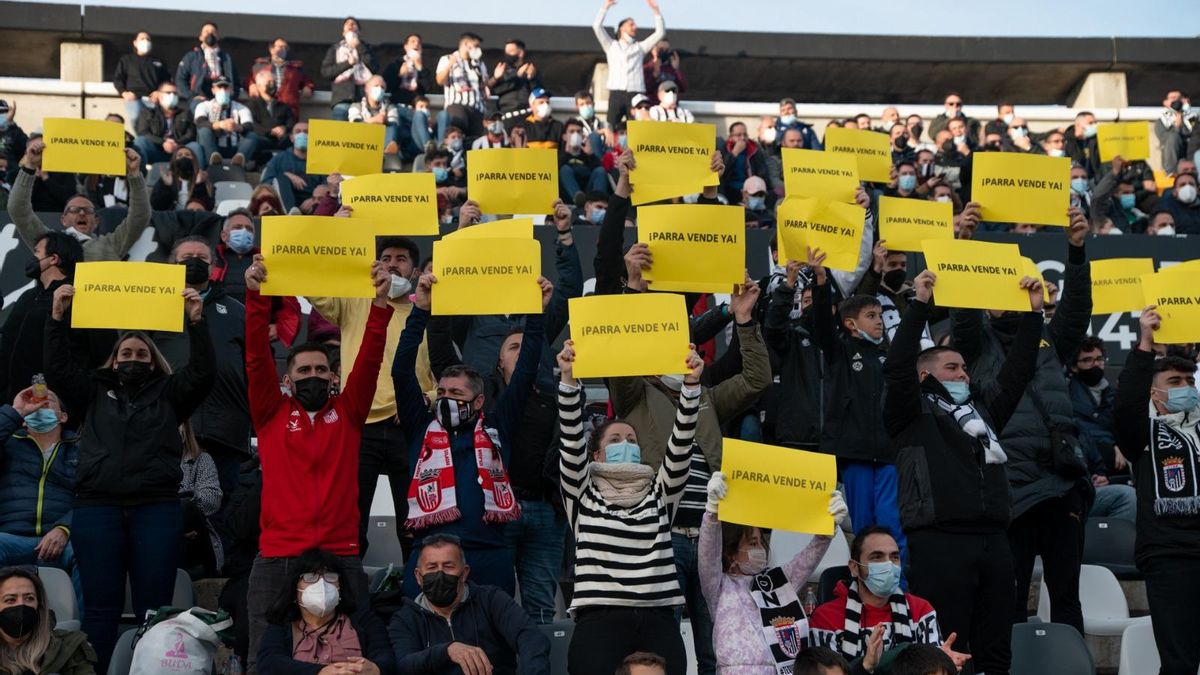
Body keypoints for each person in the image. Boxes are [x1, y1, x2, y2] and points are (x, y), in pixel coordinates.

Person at [884, 269, 1046, 675]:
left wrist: (1034, 314)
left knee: (995, 650)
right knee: (946, 651)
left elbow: (1017, 373)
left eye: (964, 369)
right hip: (939, 543)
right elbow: (898, 363)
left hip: (993, 540)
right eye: (953, 368)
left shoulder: (983, 415)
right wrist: (919, 304)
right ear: (925, 377)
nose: (964, 375)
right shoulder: (909, 412)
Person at [45, 284, 213, 672]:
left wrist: (197, 323)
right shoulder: (91, 391)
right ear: (114, 360)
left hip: (155, 508)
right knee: (100, 609)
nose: (133, 359)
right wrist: (57, 317)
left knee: (154, 610)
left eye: (141, 354)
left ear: (153, 361)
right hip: (96, 508)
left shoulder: (171, 394)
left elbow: (204, 372)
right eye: (126, 353)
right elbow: (57, 367)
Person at [242, 255, 392, 675]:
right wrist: (256, 299)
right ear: (288, 380)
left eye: (321, 370)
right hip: (278, 556)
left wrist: (379, 306)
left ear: (333, 377)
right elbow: (255, 360)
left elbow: (370, 360)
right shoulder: (271, 412)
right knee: (264, 660)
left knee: (354, 658)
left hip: (341, 553)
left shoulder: (347, 413)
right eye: (304, 370)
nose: (314, 375)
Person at [951, 209, 1093, 633]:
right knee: (1007, 599)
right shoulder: (975, 347)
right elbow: (961, 311)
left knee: (1066, 595)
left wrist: (1077, 250)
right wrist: (963, 245)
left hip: (1061, 483)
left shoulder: (1051, 340)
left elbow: (1077, 309)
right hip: (1009, 490)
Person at [392, 272, 553, 597]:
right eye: (443, 392)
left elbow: (523, 373)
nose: (447, 398)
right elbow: (401, 371)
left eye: (456, 392)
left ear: (478, 401)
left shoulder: (497, 427)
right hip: (430, 556)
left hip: (489, 555)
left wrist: (536, 314)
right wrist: (421, 311)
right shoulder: (421, 427)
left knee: (493, 640)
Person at [557, 338, 702, 675]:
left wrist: (691, 386)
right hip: (600, 620)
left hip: (659, 620)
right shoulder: (582, 493)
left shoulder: (660, 493)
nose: (627, 444)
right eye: (616, 440)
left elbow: (681, 445)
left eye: (632, 440)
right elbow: (569, 437)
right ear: (596, 455)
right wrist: (568, 380)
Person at [306, 235, 435, 558]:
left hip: (409, 429)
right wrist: (330, 230)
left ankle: (414, 595)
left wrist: (426, 400)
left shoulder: (428, 314)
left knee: (413, 523)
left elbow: (439, 374)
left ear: (415, 270)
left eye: (401, 258)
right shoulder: (355, 301)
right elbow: (310, 285)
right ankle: (354, 598)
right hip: (359, 427)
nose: (393, 264)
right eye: (387, 257)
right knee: (353, 519)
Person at [1112, 307, 1200, 675]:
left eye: (1190, 381)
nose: (1187, 387)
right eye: (1176, 381)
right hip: (1171, 555)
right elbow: (1125, 407)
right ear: (1155, 392)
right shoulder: (1144, 436)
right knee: (1180, 661)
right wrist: (1146, 344)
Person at [698, 469, 846, 675]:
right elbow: (708, 553)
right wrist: (712, 514)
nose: (759, 549)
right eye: (752, 543)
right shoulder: (719, 585)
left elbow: (807, 560)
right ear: (731, 553)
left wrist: (828, 528)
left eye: (760, 543)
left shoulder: (777, 582)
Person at [807, 247, 901, 560]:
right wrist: (820, 282)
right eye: (871, 316)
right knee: (865, 528)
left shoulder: (890, 356)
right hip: (856, 455)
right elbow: (821, 324)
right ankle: (867, 588)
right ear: (850, 324)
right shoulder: (840, 353)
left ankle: (898, 591)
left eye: (880, 316)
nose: (879, 322)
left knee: (892, 525)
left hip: (889, 454)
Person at [808, 527, 968, 671]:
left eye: (894, 557)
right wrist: (866, 665)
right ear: (854, 567)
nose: (888, 564)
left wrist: (944, 665)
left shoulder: (921, 610)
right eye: (877, 557)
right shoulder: (825, 619)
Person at [389, 533, 550, 675]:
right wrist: (448, 651)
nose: (440, 573)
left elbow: (530, 638)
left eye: (448, 566)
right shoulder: (405, 618)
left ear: (464, 572)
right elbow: (403, 665)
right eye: (432, 567)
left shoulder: (491, 600)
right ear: (418, 576)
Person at [0, 386, 82, 606]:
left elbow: (94, 497)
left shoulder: (81, 448)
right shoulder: (9, 443)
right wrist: (15, 411)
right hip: (9, 537)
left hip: (63, 538)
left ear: (63, 416)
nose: (39, 404)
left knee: (88, 549)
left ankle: (85, 638)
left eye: (48, 401)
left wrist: (64, 528)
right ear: (23, 420)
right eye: (34, 402)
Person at [257, 548, 394, 675]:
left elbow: (387, 658)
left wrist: (375, 669)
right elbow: (269, 664)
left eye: (330, 577)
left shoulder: (363, 620)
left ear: (340, 585)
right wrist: (320, 672)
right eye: (310, 578)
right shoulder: (282, 624)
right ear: (294, 588)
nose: (322, 584)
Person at [12, 139, 149, 261]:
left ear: (96, 221)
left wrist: (135, 174)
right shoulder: (49, 242)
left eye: (88, 210)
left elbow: (140, 216)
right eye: (74, 210)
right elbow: (18, 210)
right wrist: (30, 166)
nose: (82, 213)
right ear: (63, 220)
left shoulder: (112, 244)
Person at [0, 566, 95, 674]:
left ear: (39, 606)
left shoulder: (68, 646)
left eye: (29, 598)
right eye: (10, 600)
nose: (21, 605)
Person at [592, 0, 665, 124]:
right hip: (616, 92)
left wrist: (656, 11)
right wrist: (605, 7)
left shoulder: (640, 48)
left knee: (636, 126)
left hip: (636, 93)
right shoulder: (611, 46)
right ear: (621, 28)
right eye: (631, 24)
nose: (635, 27)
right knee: (612, 125)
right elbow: (596, 27)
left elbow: (660, 33)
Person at [178, 423, 223, 579]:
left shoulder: (201, 460)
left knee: (186, 508)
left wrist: (184, 498)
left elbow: (212, 500)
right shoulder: (146, 461)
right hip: (160, 529)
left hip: (194, 542)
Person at [133, 80, 202, 169]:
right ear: (160, 95)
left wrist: (177, 144)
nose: (172, 96)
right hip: (156, 150)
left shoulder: (185, 113)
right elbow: (143, 132)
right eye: (168, 93)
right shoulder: (148, 112)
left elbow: (191, 133)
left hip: (179, 151)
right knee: (140, 142)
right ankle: (137, 176)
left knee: (195, 147)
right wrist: (163, 142)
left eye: (175, 93)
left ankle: (198, 178)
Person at [322, 17, 378, 122]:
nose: (351, 25)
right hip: (342, 99)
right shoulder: (335, 49)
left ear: (359, 32)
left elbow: (374, 67)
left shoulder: (367, 48)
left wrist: (359, 47)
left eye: (354, 23)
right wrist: (348, 63)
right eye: (347, 23)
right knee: (340, 135)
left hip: (364, 101)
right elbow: (326, 72)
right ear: (343, 33)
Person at [260, 123, 325, 212]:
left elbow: (327, 184)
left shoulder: (321, 160)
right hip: (284, 204)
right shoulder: (279, 159)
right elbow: (265, 184)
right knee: (281, 178)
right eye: (298, 132)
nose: (302, 134)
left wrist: (315, 199)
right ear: (291, 138)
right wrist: (287, 175)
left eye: (306, 132)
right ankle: (291, 213)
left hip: (313, 204)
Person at [435, 33, 489, 140]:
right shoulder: (447, 58)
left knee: (475, 140)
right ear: (466, 44)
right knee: (458, 130)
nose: (478, 49)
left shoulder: (479, 64)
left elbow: (484, 84)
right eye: (476, 46)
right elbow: (440, 80)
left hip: (477, 107)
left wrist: (491, 81)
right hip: (457, 104)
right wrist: (450, 65)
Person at [112, 31, 171, 128]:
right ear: (135, 43)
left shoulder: (158, 62)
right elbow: (118, 79)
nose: (145, 41)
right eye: (142, 39)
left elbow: (167, 81)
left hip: (153, 100)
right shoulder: (126, 60)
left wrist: (159, 92)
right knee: (137, 121)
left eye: (148, 39)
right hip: (134, 99)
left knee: (157, 125)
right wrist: (124, 93)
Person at [195, 76, 256, 167]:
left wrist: (237, 127)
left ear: (231, 90)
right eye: (219, 87)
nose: (223, 90)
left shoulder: (241, 107)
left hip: (235, 146)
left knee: (252, 135)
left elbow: (249, 125)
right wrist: (220, 124)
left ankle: (239, 159)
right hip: (214, 145)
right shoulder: (203, 106)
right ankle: (213, 159)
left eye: (226, 88)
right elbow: (200, 122)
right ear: (213, 90)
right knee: (203, 130)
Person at [247, 37, 314, 121]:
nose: (283, 50)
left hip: (288, 111)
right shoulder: (259, 66)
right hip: (264, 109)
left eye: (285, 48)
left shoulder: (295, 68)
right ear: (271, 49)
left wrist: (307, 87)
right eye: (280, 47)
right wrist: (251, 84)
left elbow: (307, 80)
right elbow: (250, 79)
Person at [175, 22, 239, 108]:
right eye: (206, 31)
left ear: (218, 36)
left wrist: (231, 96)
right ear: (200, 37)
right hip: (199, 100)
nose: (210, 34)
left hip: (223, 98)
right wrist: (191, 96)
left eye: (213, 32)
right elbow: (180, 79)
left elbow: (235, 81)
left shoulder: (226, 58)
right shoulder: (191, 57)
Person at [210, 208, 258, 300]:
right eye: (238, 227)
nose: (244, 232)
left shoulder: (264, 260)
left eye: (249, 229)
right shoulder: (211, 259)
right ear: (224, 235)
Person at [246, 68, 296, 156]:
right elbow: (251, 125)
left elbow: (291, 122)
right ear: (259, 86)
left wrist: (284, 128)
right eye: (269, 82)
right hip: (262, 139)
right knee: (252, 140)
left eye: (274, 82)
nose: (272, 85)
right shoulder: (251, 105)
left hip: (282, 141)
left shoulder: (283, 106)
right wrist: (270, 131)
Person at [560, 118, 608, 201]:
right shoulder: (560, 155)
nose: (575, 134)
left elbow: (601, 172)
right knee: (564, 169)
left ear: (582, 135)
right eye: (571, 132)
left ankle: (598, 202)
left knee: (600, 170)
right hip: (568, 196)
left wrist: (590, 154)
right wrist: (566, 153)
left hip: (588, 192)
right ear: (564, 136)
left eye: (578, 132)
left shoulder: (587, 155)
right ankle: (579, 200)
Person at [643, 39, 686, 105]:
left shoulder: (671, 69)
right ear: (653, 50)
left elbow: (683, 88)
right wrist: (654, 75)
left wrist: (676, 70)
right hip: (654, 106)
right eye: (661, 49)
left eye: (667, 50)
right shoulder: (647, 68)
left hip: (672, 107)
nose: (664, 52)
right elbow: (645, 89)